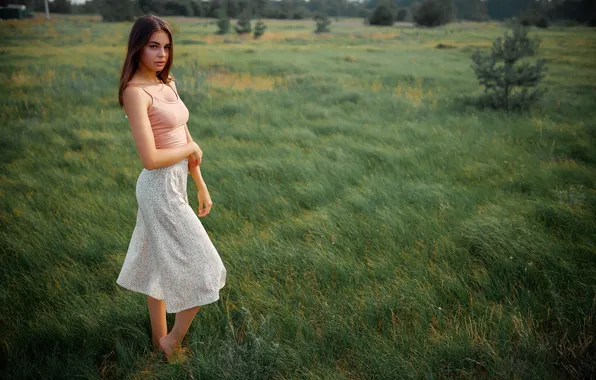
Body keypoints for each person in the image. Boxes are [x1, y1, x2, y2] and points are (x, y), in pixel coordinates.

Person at [115, 14, 226, 363]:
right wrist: (190, 151)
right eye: (153, 46)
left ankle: (157, 341)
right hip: (157, 188)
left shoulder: (168, 83)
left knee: (157, 265)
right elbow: (149, 158)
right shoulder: (136, 93)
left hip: (177, 182)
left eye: (166, 46)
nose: (162, 54)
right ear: (138, 48)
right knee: (206, 266)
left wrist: (200, 183)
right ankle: (171, 342)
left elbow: (184, 135)